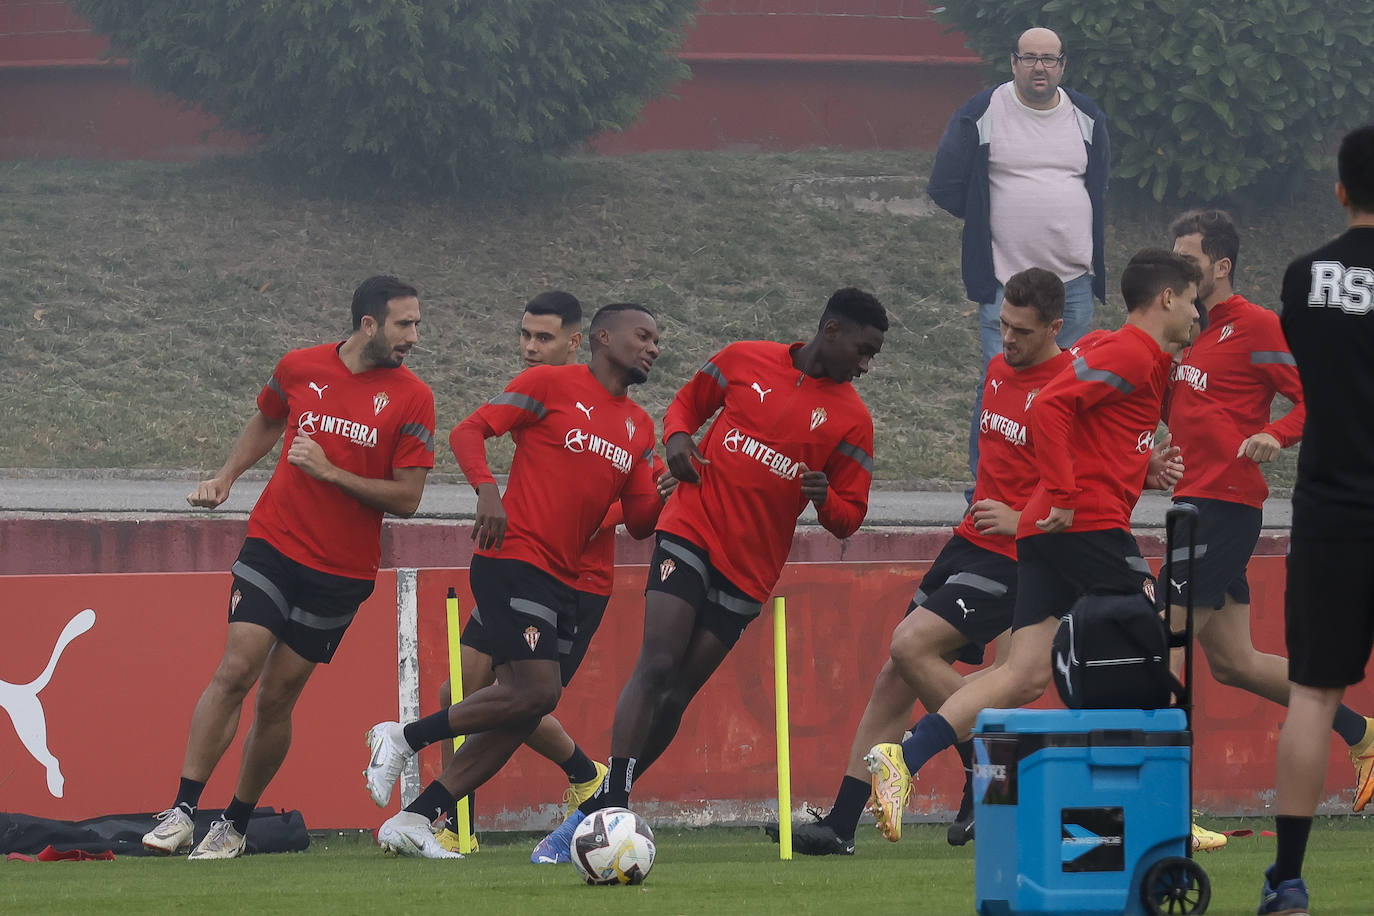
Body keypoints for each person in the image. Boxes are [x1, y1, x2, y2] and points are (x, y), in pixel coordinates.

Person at [532, 287, 888, 864]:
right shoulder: (745, 358)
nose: (866, 365)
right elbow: (685, 406)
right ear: (832, 330)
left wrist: (825, 501)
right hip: (691, 529)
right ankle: (612, 806)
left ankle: (593, 809)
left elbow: (850, 519)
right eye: (864, 349)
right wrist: (676, 439)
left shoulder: (852, 420)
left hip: (750, 571)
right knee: (659, 661)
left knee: (676, 696)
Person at [865, 250, 1199, 840]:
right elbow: (1050, 407)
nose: (1196, 312)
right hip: (1086, 528)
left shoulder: (1104, 345)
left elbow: (1091, 427)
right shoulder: (1127, 351)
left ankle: (905, 757)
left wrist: (1135, 469)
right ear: (1167, 298)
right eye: (1192, 299)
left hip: (1046, 532)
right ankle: (1167, 811)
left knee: (1021, 675)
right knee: (1158, 644)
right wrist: (1069, 494)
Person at [140, 276, 436, 859]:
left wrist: (330, 473)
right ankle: (181, 811)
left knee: (276, 699)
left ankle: (235, 823)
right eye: (405, 325)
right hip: (273, 544)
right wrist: (226, 476)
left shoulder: (413, 397)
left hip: (342, 572)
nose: (414, 337)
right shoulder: (299, 366)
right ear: (369, 324)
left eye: (417, 325)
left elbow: (407, 498)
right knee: (236, 668)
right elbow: (268, 419)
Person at [782, 269, 1075, 856]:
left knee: (910, 644)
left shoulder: (1070, 385)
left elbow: (1090, 478)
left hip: (1020, 554)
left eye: (1021, 330)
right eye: (1002, 326)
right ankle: (841, 823)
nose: (1008, 339)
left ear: (1055, 328)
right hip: (969, 541)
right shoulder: (997, 370)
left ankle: (988, 767)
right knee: (898, 671)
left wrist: (1024, 520)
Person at [363, 303, 664, 859]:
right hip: (515, 557)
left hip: (570, 577)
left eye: (656, 340)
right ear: (600, 338)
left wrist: (665, 488)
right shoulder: (548, 384)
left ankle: (416, 817)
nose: (653, 347)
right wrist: (486, 489)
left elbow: (642, 520)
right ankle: (403, 737)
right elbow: (469, 431)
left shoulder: (639, 425)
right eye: (642, 336)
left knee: (523, 705)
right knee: (534, 691)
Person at [1164, 210, 1374, 855]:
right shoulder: (1187, 328)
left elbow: (1315, 395)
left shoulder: (1256, 325)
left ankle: (1169, 814)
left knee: (1162, 646)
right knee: (1233, 662)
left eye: (1190, 259)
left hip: (1223, 507)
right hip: (1193, 502)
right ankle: (1362, 732)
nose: (1179, 270)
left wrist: (1273, 435)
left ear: (1222, 265)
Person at [1257, 124, 1374, 915]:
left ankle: (1288, 881)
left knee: (1313, 696)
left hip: (1333, 507)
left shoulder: (1305, 277)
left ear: (1339, 189)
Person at [926, 26, 1109, 493]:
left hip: (1073, 285)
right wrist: (987, 213)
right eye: (1029, 58)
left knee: (1063, 394)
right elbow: (944, 183)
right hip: (1006, 284)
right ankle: (984, 492)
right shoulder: (983, 110)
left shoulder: (1085, 114)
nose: (1039, 67)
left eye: (1049, 58)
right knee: (1002, 386)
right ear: (1013, 63)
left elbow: (1099, 183)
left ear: (1063, 65)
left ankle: (1048, 488)